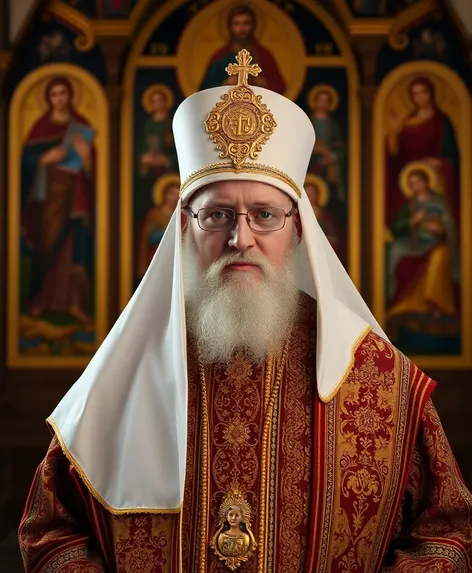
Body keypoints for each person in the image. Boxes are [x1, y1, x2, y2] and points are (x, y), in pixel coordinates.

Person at [19, 51, 472, 572]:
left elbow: (446, 533)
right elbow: (52, 530)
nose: (241, 238)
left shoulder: (376, 379)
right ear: (185, 227)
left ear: (298, 229)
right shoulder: (127, 365)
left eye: (264, 214)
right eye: (216, 215)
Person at [21, 76, 95, 325]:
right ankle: (40, 300)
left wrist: (86, 157)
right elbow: (22, 165)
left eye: (63, 93)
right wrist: (44, 159)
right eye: (54, 94)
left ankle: (74, 303)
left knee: (75, 245)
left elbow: (96, 169)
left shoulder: (80, 126)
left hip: (74, 197)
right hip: (47, 200)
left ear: (70, 96)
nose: (59, 98)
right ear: (48, 98)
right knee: (46, 246)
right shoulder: (40, 128)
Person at [386, 76, 459, 227]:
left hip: (436, 177)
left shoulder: (442, 121)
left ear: (431, 93)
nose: (420, 97)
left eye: (423, 92)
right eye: (415, 93)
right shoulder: (407, 123)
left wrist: (438, 162)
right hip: (409, 178)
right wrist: (393, 134)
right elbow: (395, 156)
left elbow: (452, 154)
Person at [200, 4, 286, 93]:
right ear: (230, 27)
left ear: (254, 25)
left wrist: (263, 83)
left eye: (246, 23)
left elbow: (279, 87)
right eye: (236, 24)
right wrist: (225, 83)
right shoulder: (220, 56)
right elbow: (205, 88)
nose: (241, 28)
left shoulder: (263, 55)